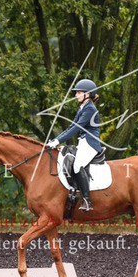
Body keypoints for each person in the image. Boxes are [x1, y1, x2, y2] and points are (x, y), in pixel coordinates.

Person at [47, 79, 101, 212]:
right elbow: (71, 127)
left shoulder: (90, 109)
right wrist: (56, 140)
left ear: (88, 94)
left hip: (91, 143)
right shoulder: (82, 108)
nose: (76, 95)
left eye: (79, 92)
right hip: (83, 142)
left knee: (77, 165)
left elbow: (76, 128)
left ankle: (87, 201)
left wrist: (58, 141)